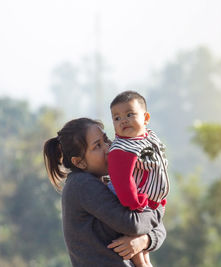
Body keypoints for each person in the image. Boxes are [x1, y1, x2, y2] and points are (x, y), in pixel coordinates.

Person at [43, 118, 166, 267]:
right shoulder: (81, 185)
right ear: (79, 162)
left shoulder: (110, 182)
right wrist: (158, 205)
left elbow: (157, 228)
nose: (108, 148)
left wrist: (145, 240)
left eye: (106, 140)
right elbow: (133, 224)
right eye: (98, 146)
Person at [107, 91, 170, 267]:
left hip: (149, 199)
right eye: (116, 118)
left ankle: (144, 262)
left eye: (129, 114)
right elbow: (123, 181)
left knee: (144, 244)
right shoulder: (121, 149)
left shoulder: (148, 137)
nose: (123, 121)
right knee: (135, 239)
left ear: (146, 117)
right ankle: (141, 263)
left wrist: (159, 197)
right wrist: (136, 203)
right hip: (132, 200)